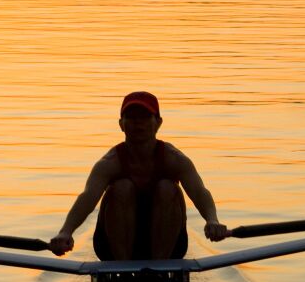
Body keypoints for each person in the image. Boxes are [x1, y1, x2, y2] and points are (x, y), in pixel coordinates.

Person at [49, 92, 229, 259]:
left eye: (144, 117)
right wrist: (66, 232)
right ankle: (122, 268)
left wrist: (212, 221)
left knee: (167, 188)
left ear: (158, 123)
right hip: (113, 247)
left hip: (169, 246)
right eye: (132, 117)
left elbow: (199, 192)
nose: (138, 123)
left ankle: (160, 267)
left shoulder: (175, 160)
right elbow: (88, 197)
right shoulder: (109, 163)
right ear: (121, 124)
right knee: (122, 187)